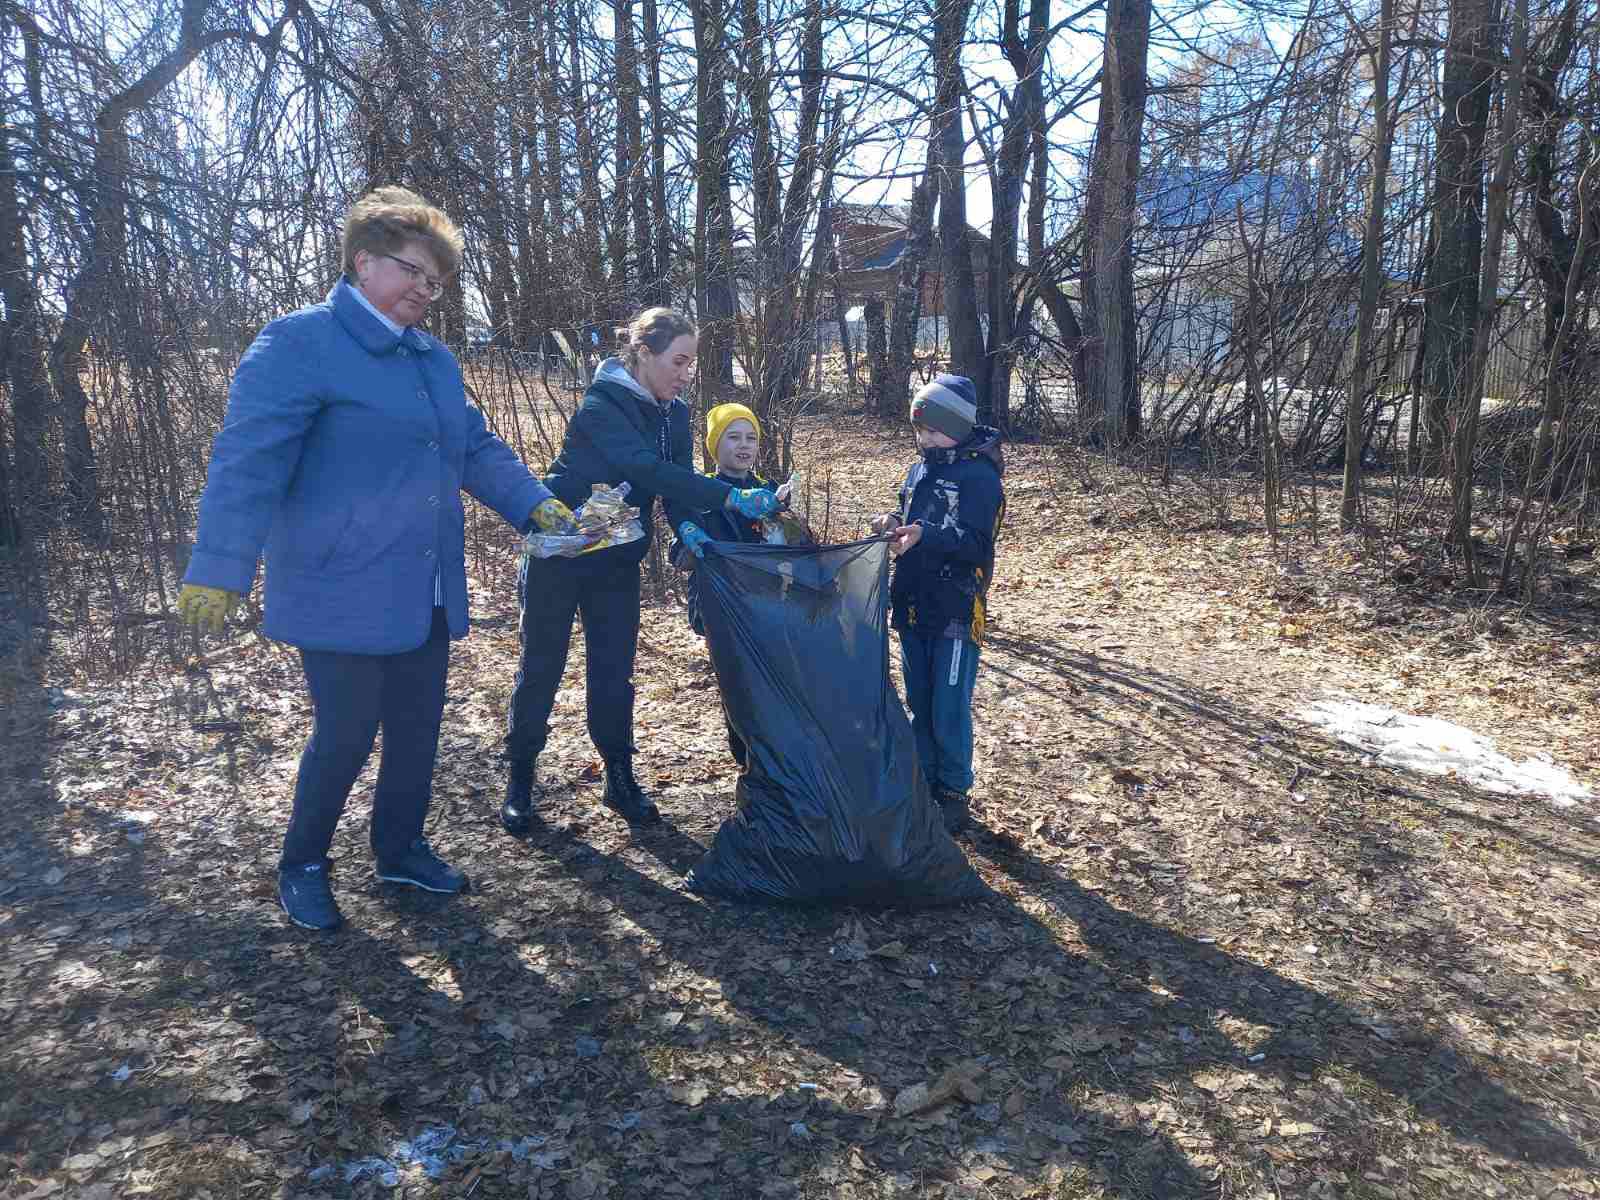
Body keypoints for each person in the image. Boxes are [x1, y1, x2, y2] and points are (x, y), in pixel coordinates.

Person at [174, 186, 576, 932]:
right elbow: (247, 462)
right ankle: (303, 864)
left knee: (419, 726)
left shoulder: (433, 358)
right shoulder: (300, 343)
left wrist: (533, 501)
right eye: (413, 271)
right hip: (339, 580)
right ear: (363, 261)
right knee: (348, 730)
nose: (426, 290)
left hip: (422, 580)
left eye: (436, 281)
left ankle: (399, 848)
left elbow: (474, 445)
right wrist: (218, 567)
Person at [501, 310, 784, 835]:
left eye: (691, 363)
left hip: (616, 562)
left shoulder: (675, 414)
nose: (685, 373)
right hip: (558, 556)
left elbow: (672, 486)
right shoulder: (600, 406)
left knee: (613, 672)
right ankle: (520, 779)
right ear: (643, 354)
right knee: (542, 667)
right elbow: (643, 468)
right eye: (678, 361)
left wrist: (688, 529)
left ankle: (620, 776)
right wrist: (730, 495)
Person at [872, 374, 1005, 835]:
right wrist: (894, 524)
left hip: (955, 610)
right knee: (921, 700)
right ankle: (924, 783)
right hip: (913, 603)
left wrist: (925, 536)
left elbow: (976, 546)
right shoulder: (920, 467)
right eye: (918, 430)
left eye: (932, 429)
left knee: (949, 705)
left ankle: (952, 792)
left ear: (958, 425)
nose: (923, 438)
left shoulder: (980, 477)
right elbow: (912, 518)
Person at [671, 402, 809, 767]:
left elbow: (799, 548)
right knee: (738, 690)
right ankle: (747, 763)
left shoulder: (769, 492)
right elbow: (679, 555)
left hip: (769, 609)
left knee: (776, 689)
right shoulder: (700, 493)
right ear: (714, 445)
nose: (743, 445)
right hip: (724, 613)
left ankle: (777, 764)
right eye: (733, 437)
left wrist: (783, 521)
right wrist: (690, 541)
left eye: (750, 437)